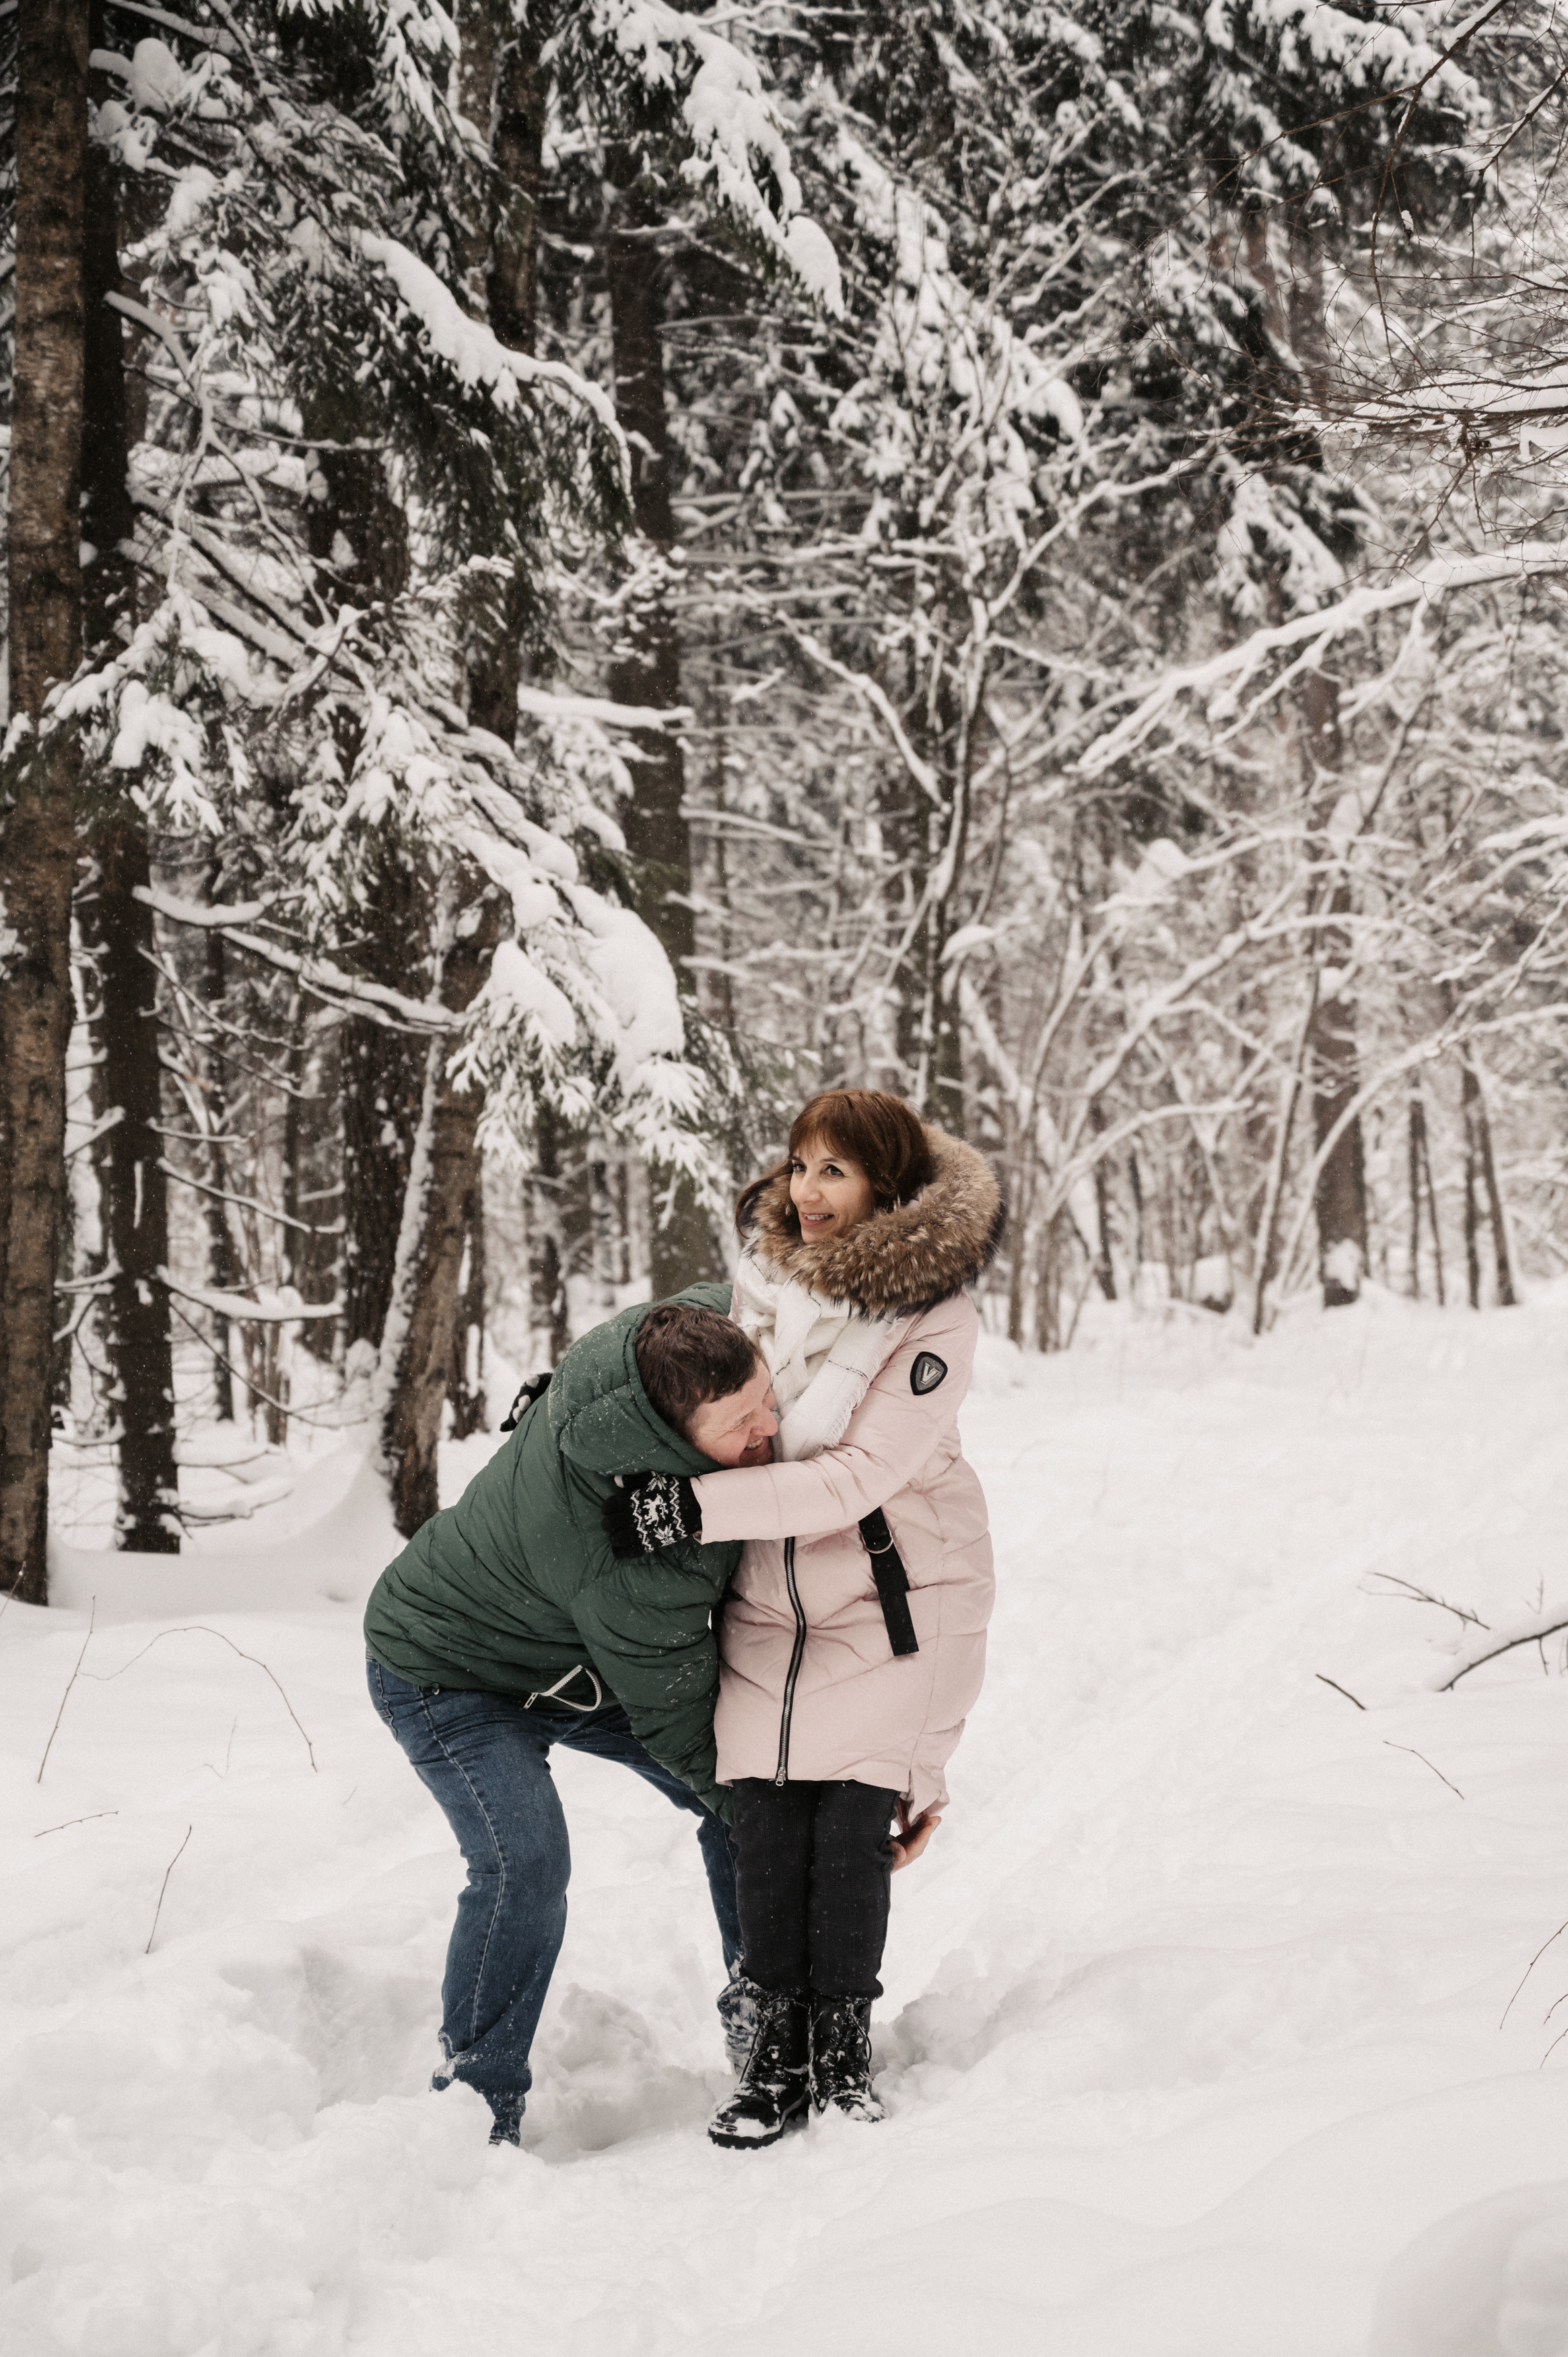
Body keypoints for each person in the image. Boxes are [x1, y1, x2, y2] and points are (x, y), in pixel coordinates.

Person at [607, 1090, 1002, 2147]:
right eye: (798, 1165)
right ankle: (773, 2064)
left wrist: (686, 1510)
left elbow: (855, 1477)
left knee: (845, 1836)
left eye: (835, 1169)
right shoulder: (757, 1287)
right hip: (765, 1600)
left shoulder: (932, 1312)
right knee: (764, 1837)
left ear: (887, 1183)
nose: (807, 1190)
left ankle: (841, 2054)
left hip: (890, 1600)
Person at [362, 1291, 778, 2146]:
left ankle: (770, 2014)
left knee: (749, 1798)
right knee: (527, 1861)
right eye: (741, 1422)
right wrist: (787, 1827)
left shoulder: (653, 1347)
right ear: (669, 1438)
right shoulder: (628, 1556)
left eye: (768, 1396)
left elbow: (736, 1287)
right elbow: (680, 1723)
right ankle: (475, 2106)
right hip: (445, 1669)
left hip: (569, 1659)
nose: (770, 1427)